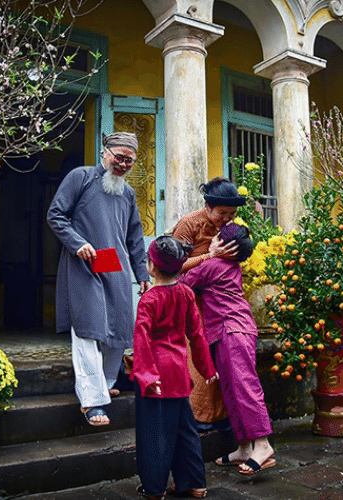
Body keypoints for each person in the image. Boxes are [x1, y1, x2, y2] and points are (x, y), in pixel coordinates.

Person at [47, 131, 151, 427]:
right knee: (88, 328)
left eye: (129, 161)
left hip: (113, 263)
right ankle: (92, 401)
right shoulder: (80, 177)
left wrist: (141, 272)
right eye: (119, 158)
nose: (123, 165)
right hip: (84, 260)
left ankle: (105, 382)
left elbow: (134, 236)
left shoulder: (127, 193)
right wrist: (76, 242)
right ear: (104, 152)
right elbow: (56, 215)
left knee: (119, 329)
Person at [179, 223, 276, 476]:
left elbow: (182, 281)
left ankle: (263, 445)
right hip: (230, 332)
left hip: (232, 332)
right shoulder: (231, 265)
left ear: (225, 246)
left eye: (218, 238)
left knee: (244, 387)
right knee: (231, 390)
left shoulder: (213, 265)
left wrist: (209, 253)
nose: (214, 240)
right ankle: (244, 446)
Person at [132, 236, 218, 500]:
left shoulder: (149, 300)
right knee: (185, 431)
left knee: (154, 433)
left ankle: (154, 488)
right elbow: (197, 334)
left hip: (156, 373)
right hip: (179, 371)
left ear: (152, 267)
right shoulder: (186, 294)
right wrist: (207, 368)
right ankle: (194, 483)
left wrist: (146, 376)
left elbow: (142, 340)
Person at [171, 177, 243, 431]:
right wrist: (209, 256)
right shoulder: (189, 224)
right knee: (196, 355)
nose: (226, 218)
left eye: (231, 214)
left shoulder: (229, 227)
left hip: (218, 301)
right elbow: (172, 265)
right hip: (189, 298)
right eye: (221, 213)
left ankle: (218, 415)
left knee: (218, 357)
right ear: (208, 206)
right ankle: (197, 416)